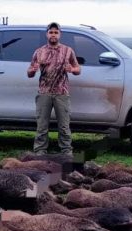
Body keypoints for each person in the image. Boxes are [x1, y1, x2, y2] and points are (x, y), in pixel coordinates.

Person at [27, 22, 81, 155]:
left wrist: (72, 69)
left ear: (60, 34)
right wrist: (32, 70)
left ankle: (66, 151)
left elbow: (78, 69)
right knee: (42, 126)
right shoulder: (39, 52)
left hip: (62, 93)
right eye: (51, 32)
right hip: (44, 93)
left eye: (56, 32)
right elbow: (29, 72)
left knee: (64, 126)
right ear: (47, 34)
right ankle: (40, 151)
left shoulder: (68, 51)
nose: (53, 35)